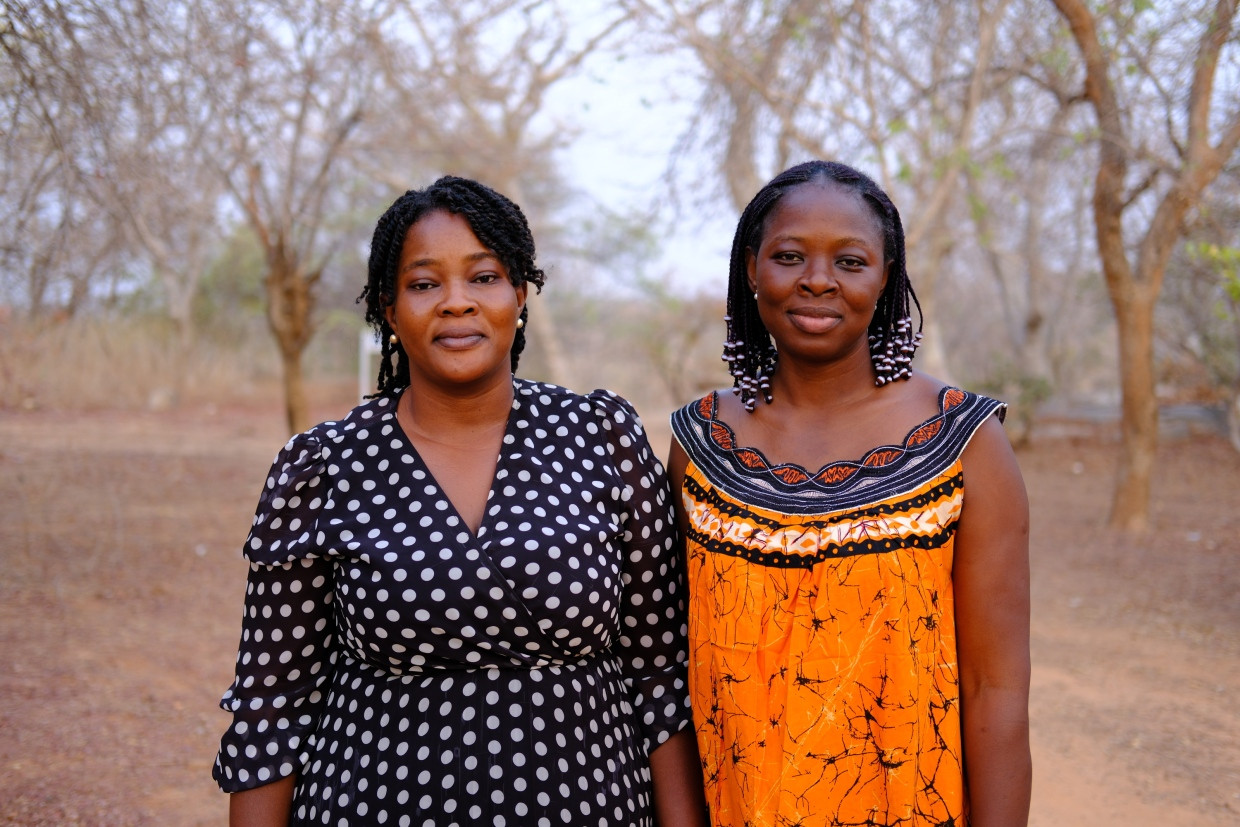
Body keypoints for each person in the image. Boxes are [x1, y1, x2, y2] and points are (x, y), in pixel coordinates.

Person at [214, 175, 707, 826]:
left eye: (483, 277)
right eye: (424, 284)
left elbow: (660, 674)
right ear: (390, 310)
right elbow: (273, 704)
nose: (456, 303)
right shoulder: (324, 468)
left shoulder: (601, 439)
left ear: (520, 295)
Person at [668, 160, 1031, 826]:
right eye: (788, 256)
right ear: (751, 268)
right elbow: (672, 682)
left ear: (886, 276)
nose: (817, 279)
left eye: (851, 261)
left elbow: (996, 692)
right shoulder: (699, 444)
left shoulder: (964, 441)